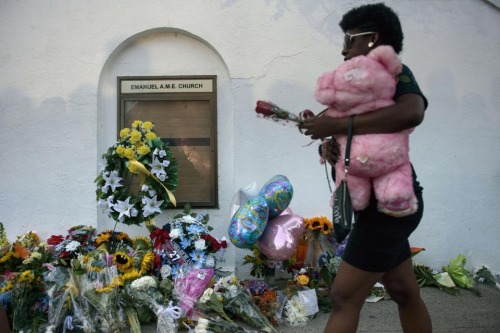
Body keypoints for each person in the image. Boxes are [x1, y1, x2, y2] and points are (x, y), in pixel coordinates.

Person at [298, 3, 432, 333]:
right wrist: (333, 149)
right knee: (403, 291)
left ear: (372, 39)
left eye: (349, 39)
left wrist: (341, 124)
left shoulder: (391, 72)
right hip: (373, 206)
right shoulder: (355, 85)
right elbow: (356, 139)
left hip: (392, 205)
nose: (343, 50)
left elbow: (412, 111)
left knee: (344, 296)